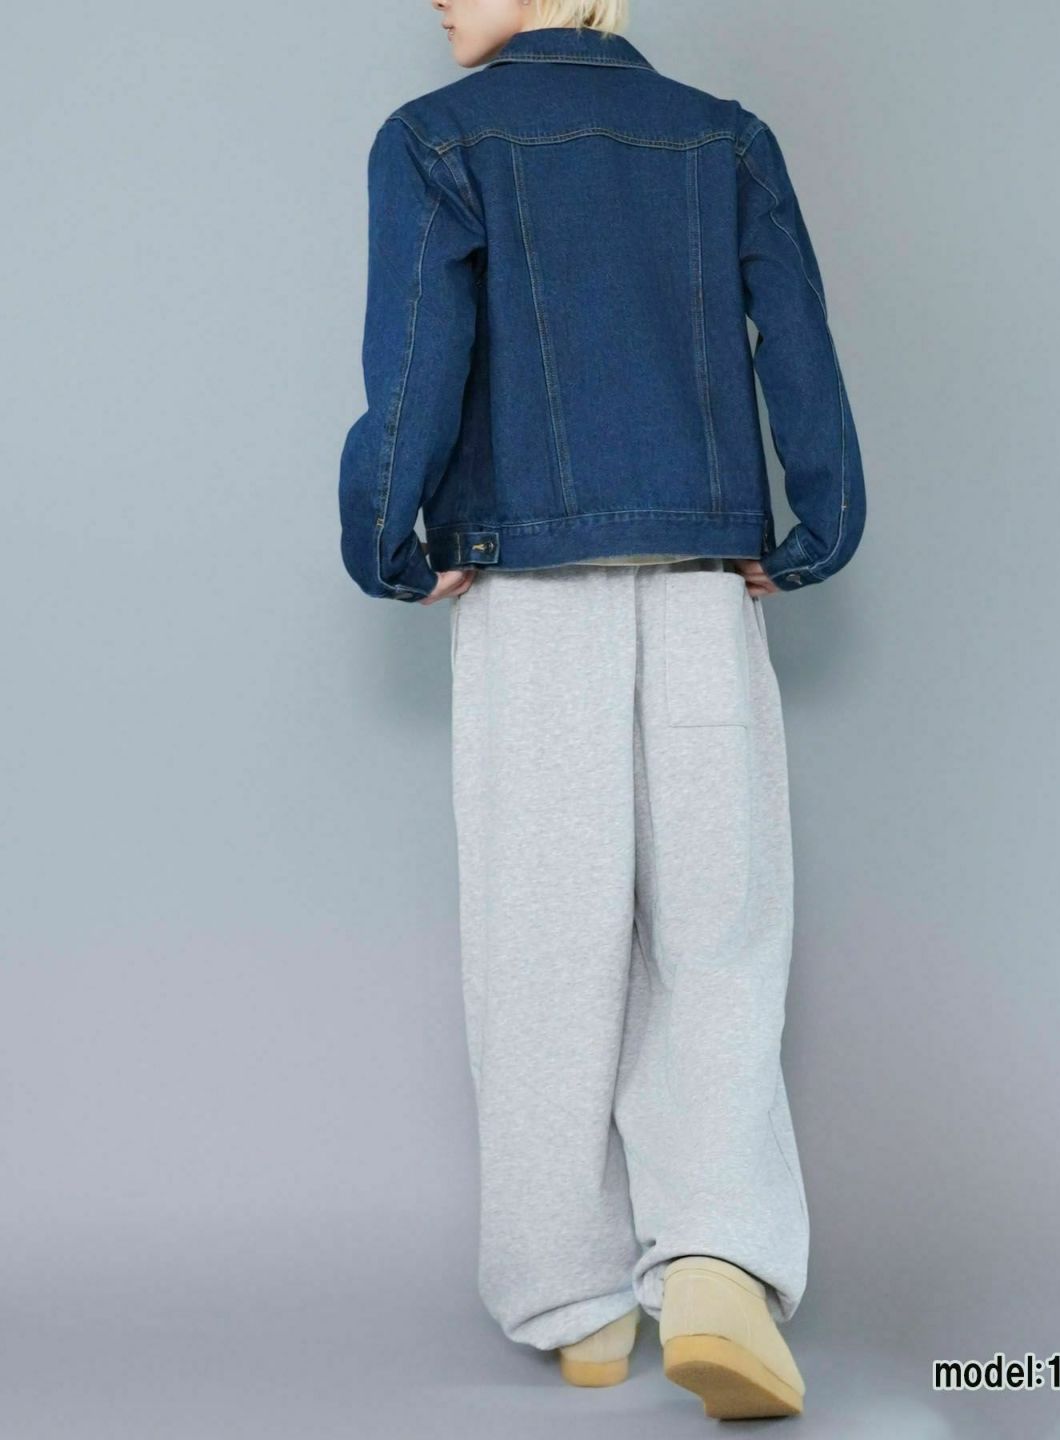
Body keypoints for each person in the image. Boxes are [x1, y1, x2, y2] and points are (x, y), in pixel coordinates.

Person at [338, 0, 866, 1420]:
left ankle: (573, 1302)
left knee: (545, 947)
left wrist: (392, 541)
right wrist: (813, 530)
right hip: (702, 587)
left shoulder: (436, 141)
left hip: (530, 596)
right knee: (719, 932)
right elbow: (800, 351)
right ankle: (713, 1262)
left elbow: (414, 363)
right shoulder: (723, 140)